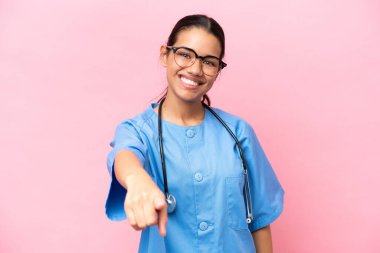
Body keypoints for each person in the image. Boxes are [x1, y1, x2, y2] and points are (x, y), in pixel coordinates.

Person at [105, 14, 285, 253]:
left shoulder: (238, 133)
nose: (195, 69)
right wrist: (136, 179)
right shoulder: (137, 131)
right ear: (165, 55)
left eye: (209, 62)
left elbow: (260, 221)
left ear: (218, 69)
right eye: (185, 55)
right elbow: (125, 156)